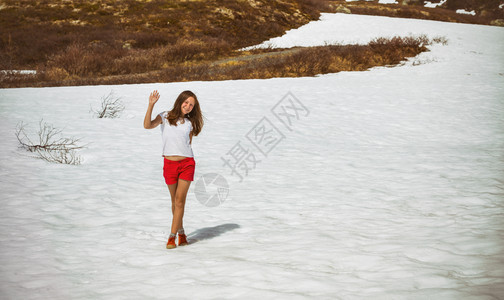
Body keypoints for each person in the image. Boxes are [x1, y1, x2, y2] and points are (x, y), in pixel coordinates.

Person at [144, 90, 204, 249]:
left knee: (179, 200)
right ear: (180, 101)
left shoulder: (190, 123)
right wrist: (150, 105)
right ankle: (182, 232)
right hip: (169, 164)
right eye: (186, 102)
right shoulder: (164, 116)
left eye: (192, 105)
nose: (188, 106)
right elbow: (147, 125)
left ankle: (172, 237)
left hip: (187, 164)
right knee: (174, 201)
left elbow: (187, 144)